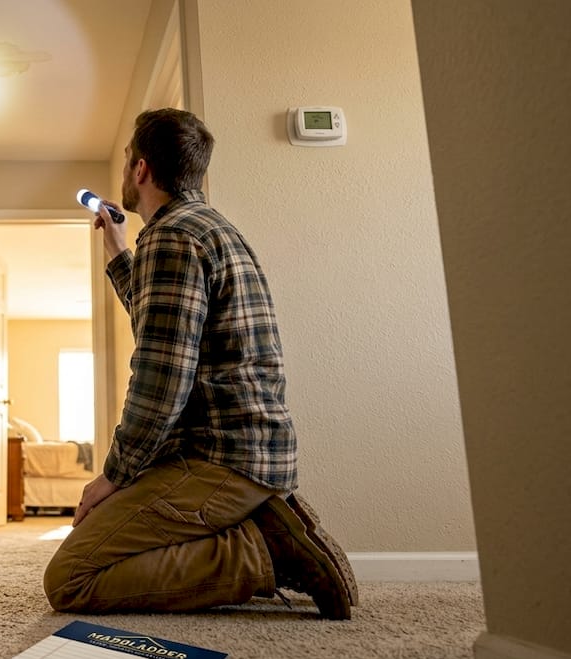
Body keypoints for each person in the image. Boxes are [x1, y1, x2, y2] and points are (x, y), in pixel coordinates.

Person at [43, 109, 358, 619]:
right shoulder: (207, 229)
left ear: (141, 169)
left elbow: (161, 380)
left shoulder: (171, 239)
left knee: (71, 578)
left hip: (220, 459)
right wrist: (119, 251)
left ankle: (264, 551)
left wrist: (114, 475)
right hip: (246, 452)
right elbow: (167, 324)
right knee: (107, 550)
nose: (125, 171)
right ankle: (259, 529)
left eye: (127, 161)